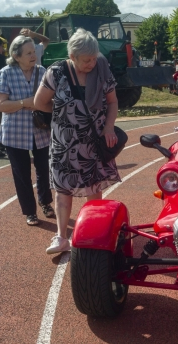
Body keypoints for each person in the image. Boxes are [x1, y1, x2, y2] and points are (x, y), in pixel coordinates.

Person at [34, 28, 120, 255]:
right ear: (72, 57)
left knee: (94, 189)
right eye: (86, 60)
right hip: (64, 144)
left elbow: (112, 102)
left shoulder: (102, 69)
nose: (92, 63)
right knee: (63, 191)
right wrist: (64, 115)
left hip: (94, 142)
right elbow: (40, 102)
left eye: (94, 58)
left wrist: (109, 126)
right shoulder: (56, 73)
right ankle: (61, 237)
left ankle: (94, 233)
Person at [0, 35, 55, 226]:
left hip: (41, 130)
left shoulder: (42, 71)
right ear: (16, 55)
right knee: (21, 174)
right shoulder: (5, 73)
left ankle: (45, 202)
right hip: (15, 133)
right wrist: (24, 103)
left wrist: (42, 104)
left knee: (44, 170)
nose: (33, 56)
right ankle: (30, 211)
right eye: (28, 53)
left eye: (34, 52)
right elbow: (1, 105)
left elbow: (51, 99)